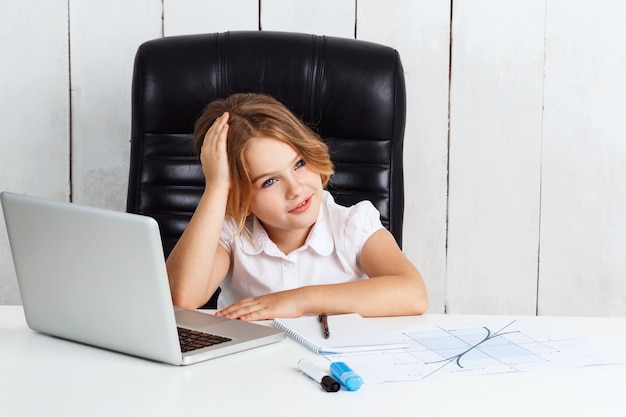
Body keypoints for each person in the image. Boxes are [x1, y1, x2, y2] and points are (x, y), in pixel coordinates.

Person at [166, 93, 428, 321]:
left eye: (299, 164)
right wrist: (217, 187)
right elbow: (183, 297)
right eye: (269, 181)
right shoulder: (233, 232)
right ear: (242, 197)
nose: (296, 189)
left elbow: (413, 294)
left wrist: (298, 300)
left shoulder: (352, 224)